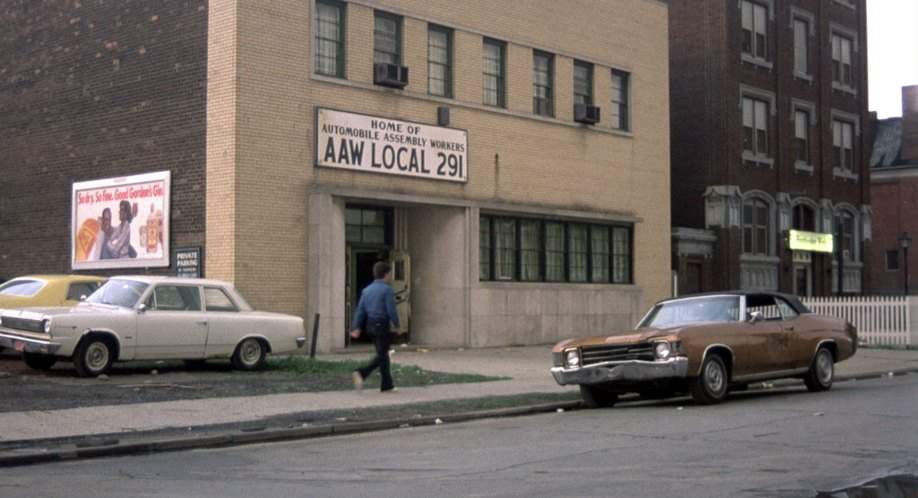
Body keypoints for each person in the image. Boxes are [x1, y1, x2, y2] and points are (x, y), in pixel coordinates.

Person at [350, 261, 401, 392]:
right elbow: (391, 310)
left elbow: (360, 310)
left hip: (370, 325)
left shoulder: (366, 290)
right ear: (386, 274)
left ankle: (387, 385)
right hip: (381, 325)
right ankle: (361, 373)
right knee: (383, 354)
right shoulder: (387, 289)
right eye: (390, 274)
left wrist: (356, 327)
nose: (390, 277)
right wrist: (397, 325)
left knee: (382, 354)